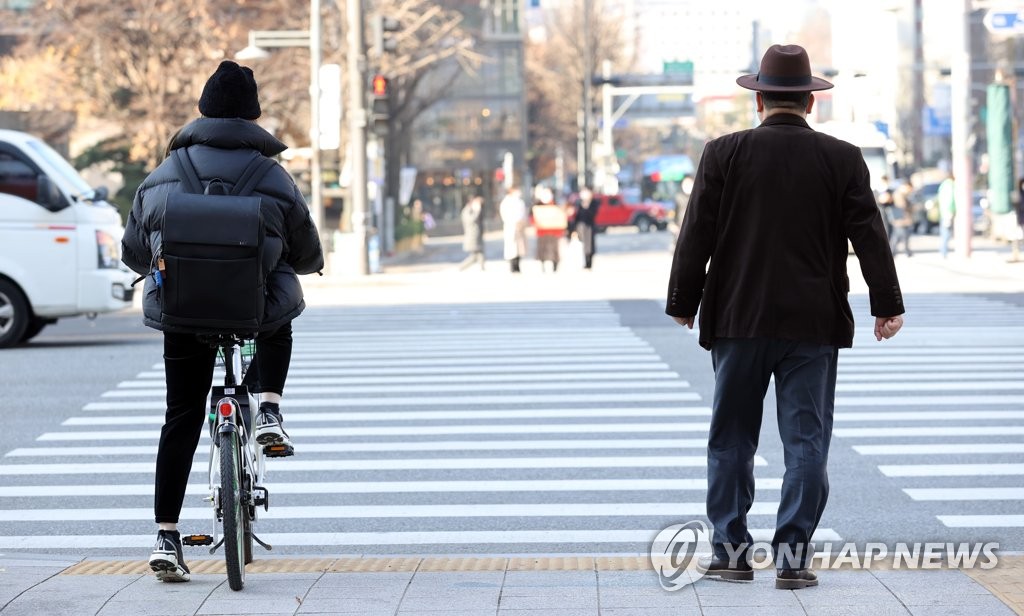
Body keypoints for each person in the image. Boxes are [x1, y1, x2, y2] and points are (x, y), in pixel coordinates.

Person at [665, 44, 904, 590]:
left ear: (759, 101)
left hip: (737, 319)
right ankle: (793, 558)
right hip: (812, 325)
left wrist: (683, 301)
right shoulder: (842, 158)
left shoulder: (723, 153)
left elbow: (695, 232)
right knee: (806, 442)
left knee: (731, 437)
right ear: (810, 103)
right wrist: (886, 304)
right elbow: (870, 235)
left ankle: (730, 552)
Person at [121, 60, 324, 583]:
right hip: (252, 312)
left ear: (202, 112)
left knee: (182, 415)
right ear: (254, 118)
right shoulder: (274, 176)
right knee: (280, 309)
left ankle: (167, 536)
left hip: (183, 314)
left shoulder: (164, 175)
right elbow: (305, 253)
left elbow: (135, 252)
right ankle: (270, 408)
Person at [531, 192, 568, 272]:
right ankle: (543, 265)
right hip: (542, 231)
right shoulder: (538, 207)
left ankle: (554, 265)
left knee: (554, 250)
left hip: (554, 231)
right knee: (543, 249)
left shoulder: (556, 206)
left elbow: (561, 217)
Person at [499, 187, 527, 273]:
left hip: (519, 226)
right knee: (511, 247)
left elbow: (523, 213)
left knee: (519, 247)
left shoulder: (519, 202)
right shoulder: (506, 202)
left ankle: (517, 265)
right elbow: (504, 215)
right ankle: (512, 265)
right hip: (510, 226)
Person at [572, 186, 600, 269]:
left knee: (589, 245)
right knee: (581, 244)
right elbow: (576, 216)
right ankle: (583, 261)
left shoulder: (594, 202)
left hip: (589, 226)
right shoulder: (578, 202)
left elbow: (593, 214)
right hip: (580, 226)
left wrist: (586, 206)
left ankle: (589, 262)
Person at [887, 181, 914, 257]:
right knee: (899, 236)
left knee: (897, 236)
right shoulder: (899, 194)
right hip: (900, 219)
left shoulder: (901, 194)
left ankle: (894, 252)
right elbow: (902, 207)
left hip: (901, 219)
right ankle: (901, 252)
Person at [459, 195, 485, 271]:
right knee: (475, 255)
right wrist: (477, 211)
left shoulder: (473, 210)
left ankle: (482, 267)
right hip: (472, 236)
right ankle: (461, 267)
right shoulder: (466, 211)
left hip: (477, 236)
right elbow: (471, 220)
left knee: (479, 253)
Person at [938, 173, 956, 258]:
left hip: (943, 211)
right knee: (946, 232)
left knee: (944, 231)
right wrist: (951, 210)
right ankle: (944, 251)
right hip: (948, 212)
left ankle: (943, 250)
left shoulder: (943, 185)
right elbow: (950, 199)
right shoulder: (950, 185)